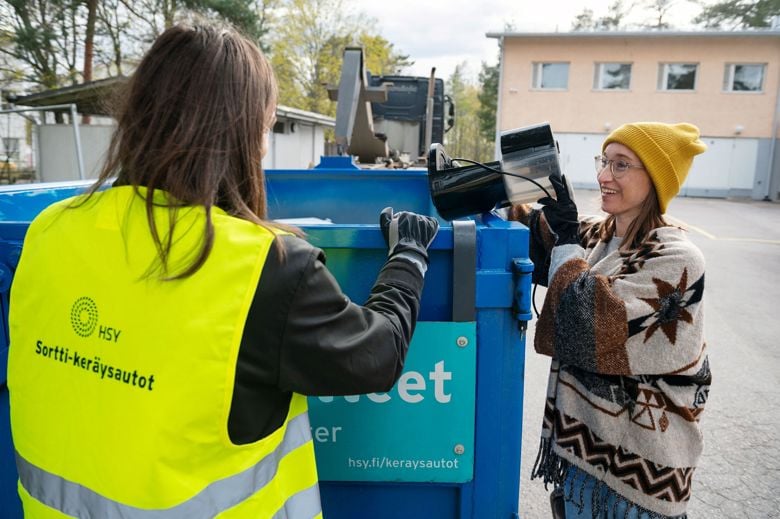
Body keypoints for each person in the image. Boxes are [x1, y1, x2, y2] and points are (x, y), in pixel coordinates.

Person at [7, 23, 438, 518]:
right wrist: (408, 256)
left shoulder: (48, 231)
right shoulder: (262, 268)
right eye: (265, 128)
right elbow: (377, 355)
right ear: (242, 132)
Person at [510, 122, 710, 518]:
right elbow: (534, 231)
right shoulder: (601, 237)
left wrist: (565, 238)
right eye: (605, 161)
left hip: (640, 474)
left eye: (621, 165)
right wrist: (509, 183)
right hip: (582, 457)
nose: (603, 176)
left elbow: (585, 326)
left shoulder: (677, 260)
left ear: (654, 180)